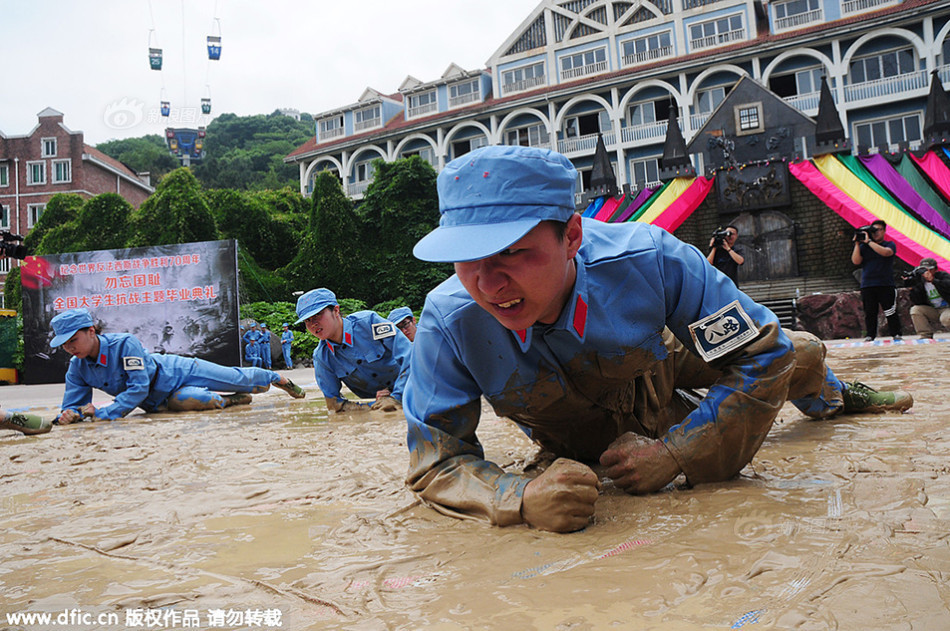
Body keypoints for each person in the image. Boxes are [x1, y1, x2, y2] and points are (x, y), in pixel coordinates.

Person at [403, 145, 913, 533]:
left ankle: (839, 397)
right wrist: (518, 496)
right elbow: (437, 464)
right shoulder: (448, 321)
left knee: (797, 350)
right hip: (580, 432)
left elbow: (762, 355)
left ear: (572, 237)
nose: (488, 286)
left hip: (656, 361)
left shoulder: (650, 259)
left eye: (513, 253)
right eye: (467, 258)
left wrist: (676, 455)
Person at [51, 308, 305, 424]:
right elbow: (73, 405)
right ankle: (235, 401)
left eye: (73, 340)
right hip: (159, 402)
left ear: (91, 331)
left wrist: (103, 413)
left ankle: (277, 379)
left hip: (178, 371)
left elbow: (138, 388)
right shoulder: (77, 368)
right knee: (196, 401)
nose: (70, 348)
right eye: (64, 344)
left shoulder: (124, 344)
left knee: (239, 379)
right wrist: (70, 415)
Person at [295, 288, 411, 413]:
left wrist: (396, 396)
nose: (313, 324)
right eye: (308, 320)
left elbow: (412, 357)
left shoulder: (369, 323)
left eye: (318, 315)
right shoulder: (322, 358)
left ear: (336, 310)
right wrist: (373, 406)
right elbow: (335, 405)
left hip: (415, 386)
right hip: (379, 405)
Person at [852, 219, 902, 341]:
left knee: (890, 310)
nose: (876, 232)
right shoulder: (864, 247)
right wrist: (858, 244)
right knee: (870, 312)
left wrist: (869, 241)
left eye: (879, 230)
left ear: (884, 231)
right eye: (874, 230)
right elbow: (856, 261)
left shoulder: (889, 244)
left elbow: (886, 253)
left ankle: (896, 333)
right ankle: (870, 335)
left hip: (885, 283)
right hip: (868, 284)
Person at [908, 257, 950, 339]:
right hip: (933, 309)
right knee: (915, 310)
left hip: (947, 308)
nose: (927, 272)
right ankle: (925, 335)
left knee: (946, 319)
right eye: (924, 270)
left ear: (935, 269)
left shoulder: (943, 276)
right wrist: (912, 287)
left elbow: (948, 286)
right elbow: (917, 301)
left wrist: (934, 281)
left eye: (930, 269)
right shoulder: (920, 281)